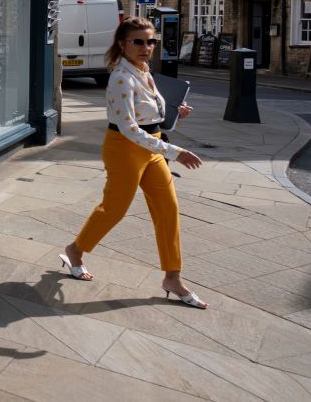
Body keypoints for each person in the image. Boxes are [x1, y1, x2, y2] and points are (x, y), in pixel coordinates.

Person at [59, 17, 208, 309]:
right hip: (124, 149)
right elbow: (129, 129)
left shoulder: (144, 71)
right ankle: (75, 250)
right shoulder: (121, 78)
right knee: (114, 210)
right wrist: (176, 152)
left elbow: (149, 114)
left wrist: (175, 112)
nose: (146, 47)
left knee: (168, 208)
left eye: (150, 41)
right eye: (138, 41)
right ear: (122, 44)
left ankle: (173, 277)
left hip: (151, 148)